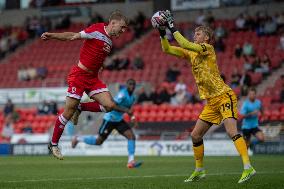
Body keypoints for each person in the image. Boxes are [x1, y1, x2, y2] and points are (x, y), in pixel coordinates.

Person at [157, 10, 255, 183]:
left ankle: (248, 167)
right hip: (211, 102)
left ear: (207, 38)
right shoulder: (191, 53)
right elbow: (167, 49)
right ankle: (199, 170)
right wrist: (161, 31)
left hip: (224, 96)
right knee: (195, 135)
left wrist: (172, 26)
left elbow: (186, 44)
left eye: (198, 33)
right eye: (194, 33)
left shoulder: (207, 49)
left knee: (231, 131)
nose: (195, 35)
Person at [41, 11, 133, 160]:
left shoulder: (109, 41)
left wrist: (100, 65)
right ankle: (54, 144)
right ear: (113, 23)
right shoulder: (96, 30)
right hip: (79, 75)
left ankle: (81, 107)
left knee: (110, 105)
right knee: (68, 112)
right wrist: (51, 35)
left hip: (93, 78)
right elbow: (72, 36)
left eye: (125, 29)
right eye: (122, 27)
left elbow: (97, 54)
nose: (123, 31)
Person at [71, 79, 142, 168]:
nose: (132, 86)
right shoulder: (122, 94)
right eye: (130, 84)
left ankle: (131, 161)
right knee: (99, 141)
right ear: (127, 85)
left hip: (119, 120)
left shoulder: (133, 97)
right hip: (110, 119)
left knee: (131, 136)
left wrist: (133, 118)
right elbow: (113, 105)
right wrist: (126, 110)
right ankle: (78, 139)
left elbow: (130, 110)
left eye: (133, 84)